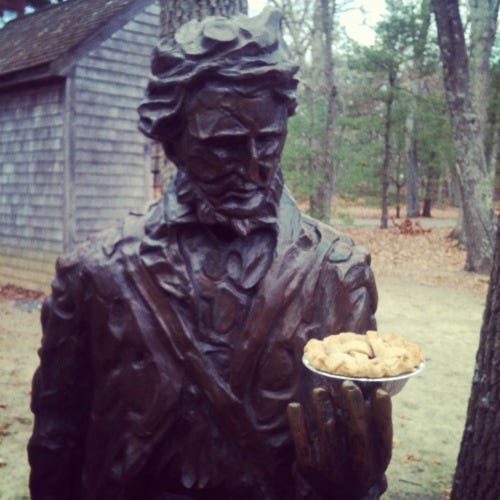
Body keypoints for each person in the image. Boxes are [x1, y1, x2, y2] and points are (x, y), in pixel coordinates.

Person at [28, 8, 391, 500]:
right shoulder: (96, 273)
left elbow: (358, 454)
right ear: (172, 140)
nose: (255, 169)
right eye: (224, 146)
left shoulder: (338, 273)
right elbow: (56, 440)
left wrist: (355, 478)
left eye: (269, 140)